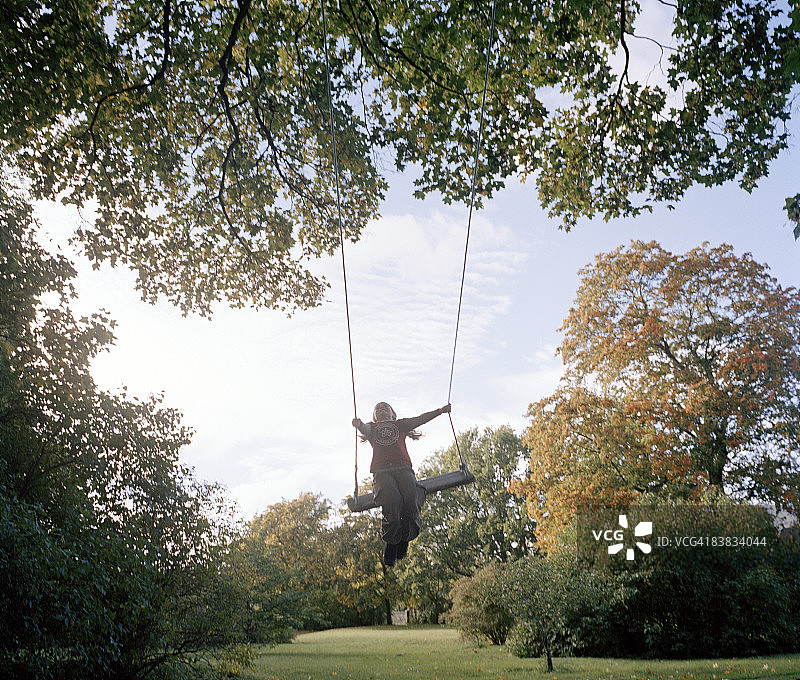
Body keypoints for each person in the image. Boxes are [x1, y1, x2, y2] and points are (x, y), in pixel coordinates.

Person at [352, 402, 451, 567]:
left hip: (403, 468)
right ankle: (392, 544)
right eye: (378, 409)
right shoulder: (372, 428)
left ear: (393, 414)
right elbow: (366, 429)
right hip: (382, 472)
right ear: (374, 417)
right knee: (392, 501)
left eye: (385, 407)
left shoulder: (401, 425)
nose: (381, 409)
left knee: (411, 499)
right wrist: (360, 424)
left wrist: (440, 411)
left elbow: (420, 419)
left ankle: (405, 538)